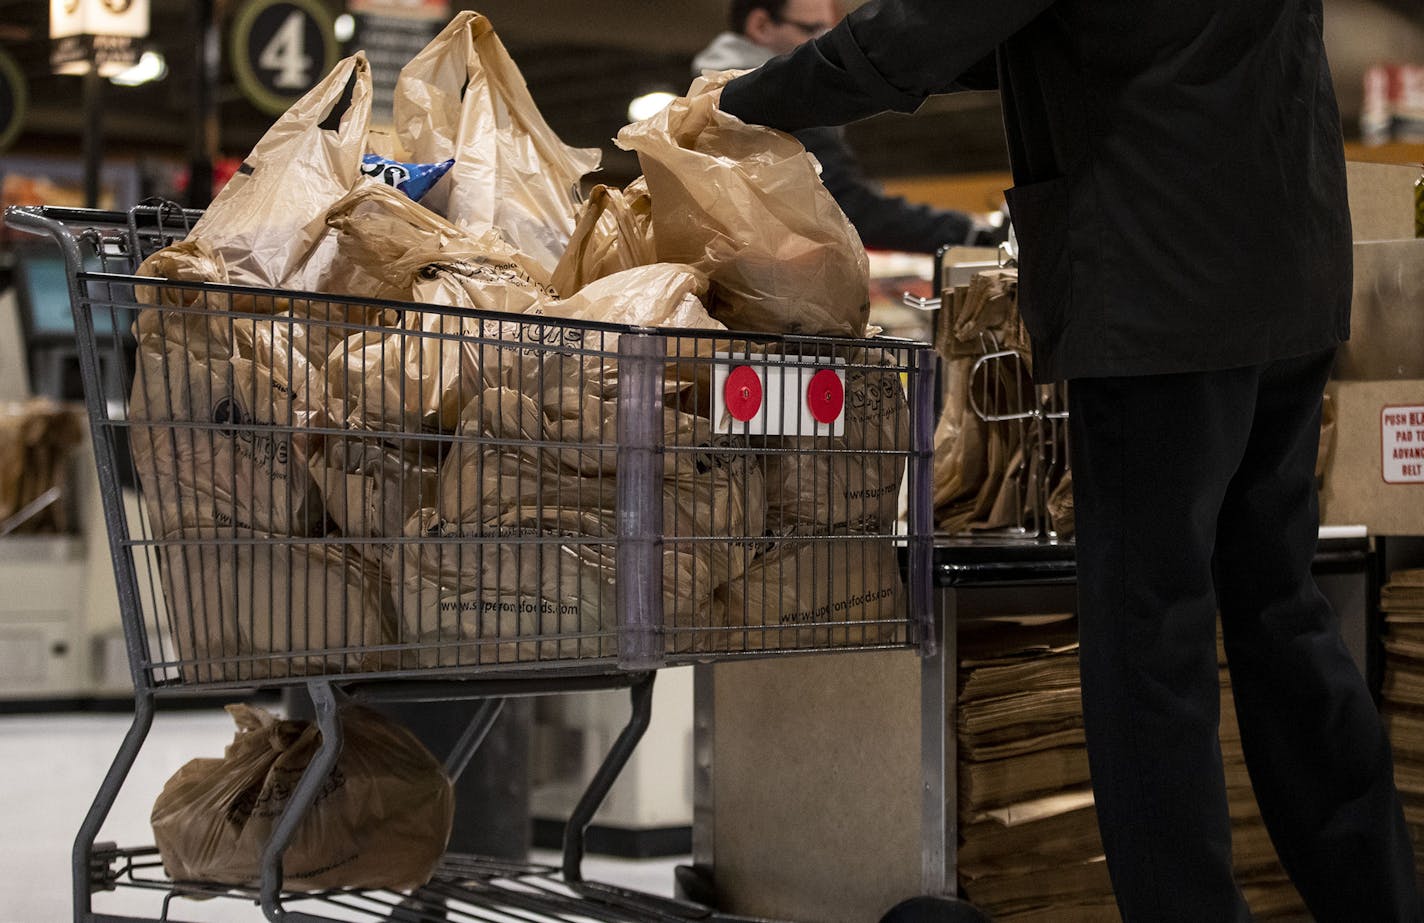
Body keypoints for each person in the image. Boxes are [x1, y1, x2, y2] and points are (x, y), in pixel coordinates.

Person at [717, 2, 1422, 921]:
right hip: (1288, 267)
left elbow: (929, 29)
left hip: (1159, 288)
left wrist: (738, 102)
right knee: (1281, 614)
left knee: (1148, 642)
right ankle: (1380, 902)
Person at [693, 0, 1004, 253]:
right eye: (812, 28)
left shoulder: (701, 91)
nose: (823, 41)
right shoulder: (774, 102)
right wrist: (968, 233)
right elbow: (840, 205)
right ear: (761, 25)